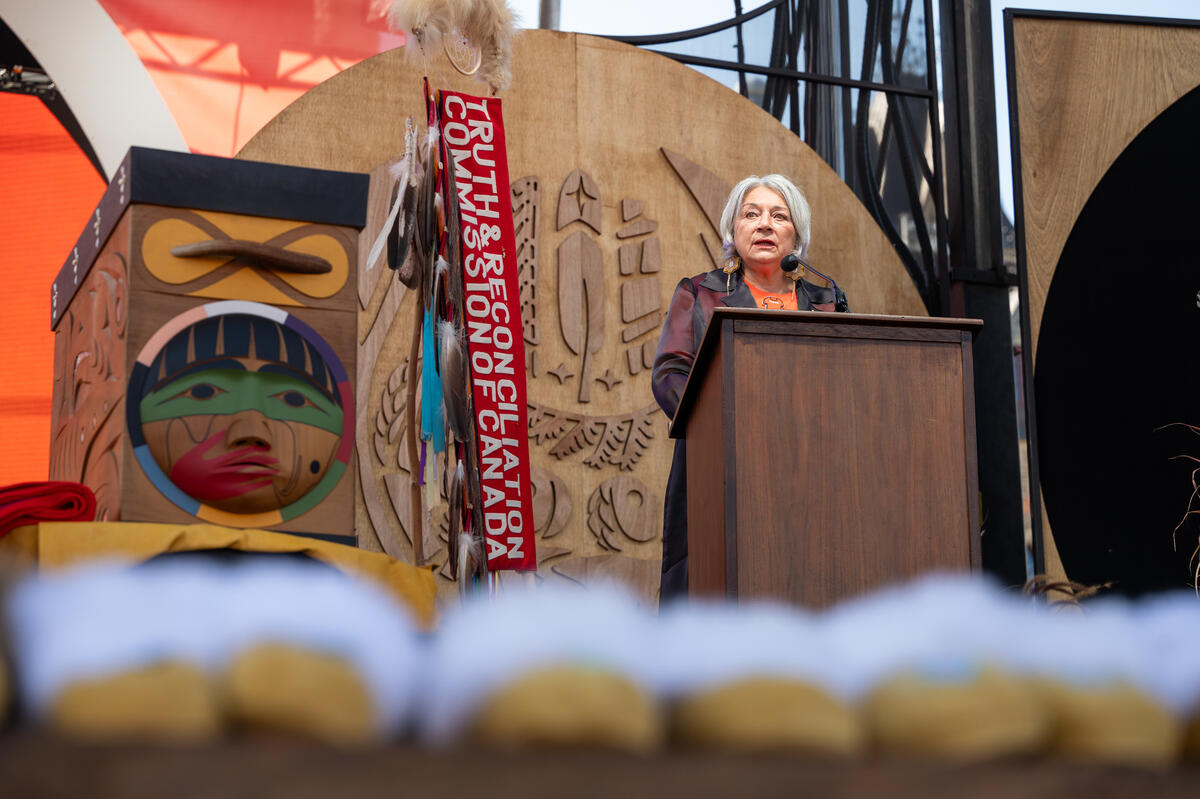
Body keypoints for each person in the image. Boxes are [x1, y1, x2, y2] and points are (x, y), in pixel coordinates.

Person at [652, 174, 849, 601]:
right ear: (733, 230)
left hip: (812, 471)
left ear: (795, 233)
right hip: (723, 469)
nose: (764, 224)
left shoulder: (827, 299)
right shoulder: (700, 293)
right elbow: (670, 374)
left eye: (779, 216)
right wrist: (725, 421)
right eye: (751, 214)